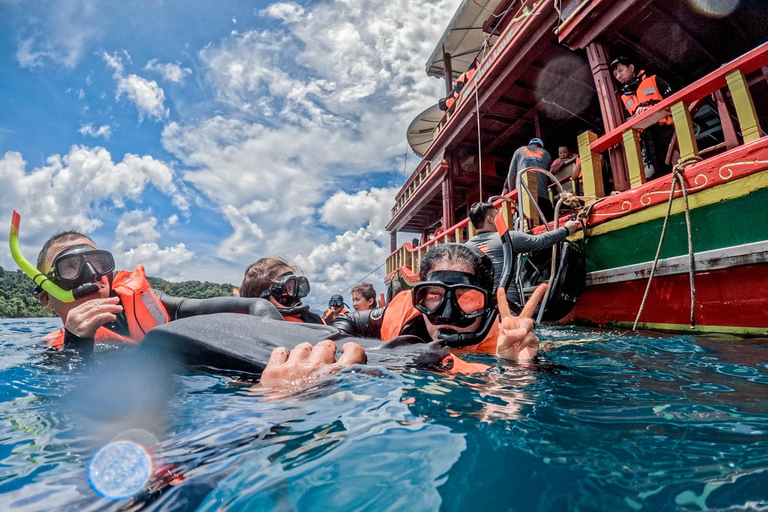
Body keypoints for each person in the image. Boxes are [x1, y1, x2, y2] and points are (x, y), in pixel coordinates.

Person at [12, 223, 277, 352]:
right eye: (71, 267)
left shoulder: (145, 303)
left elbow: (251, 306)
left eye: (98, 262)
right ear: (47, 298)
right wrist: (77, 344)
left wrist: (270, 324)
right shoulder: (52, 353)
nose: (92, 275)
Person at [333, 244, 544, 368]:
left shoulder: (507, 339)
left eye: (467, 298)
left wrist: (520, 369)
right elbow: (347, 320)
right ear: (419, 299)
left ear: (488, 304)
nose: (447, 313)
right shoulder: (403, 313)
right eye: (434, 296)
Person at [465, 202, 580, 307]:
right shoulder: (508, 237)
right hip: (508, 305)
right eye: (497, 215)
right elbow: (540, 242)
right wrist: (566, 229)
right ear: (490, 219)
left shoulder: (466, 247)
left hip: (478, 306)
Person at [611, 55, 675, 179]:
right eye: (615, 75)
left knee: (675, 166)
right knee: (656, 175)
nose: (618, 76)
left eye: (620, 71)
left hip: (666, 131)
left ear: (631, 68)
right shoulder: (623, 99)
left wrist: (651, 110)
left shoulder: (655, 81)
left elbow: (675, 102)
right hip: (647, 140)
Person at [240, 257, 324, 324]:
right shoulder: (254, 335)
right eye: (289, 288)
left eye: (297, 286)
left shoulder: (311, 319)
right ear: (262, 300)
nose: (301, 295)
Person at [502, 138, 555, 222]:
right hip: (543, 196)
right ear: (541, 147)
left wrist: (515, 196)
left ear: (529, 145)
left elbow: (511, 176)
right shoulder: (547, 154)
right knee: (550, 224)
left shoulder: (519, 151)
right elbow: (547, 176)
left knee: (527, 224)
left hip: (523, 196)